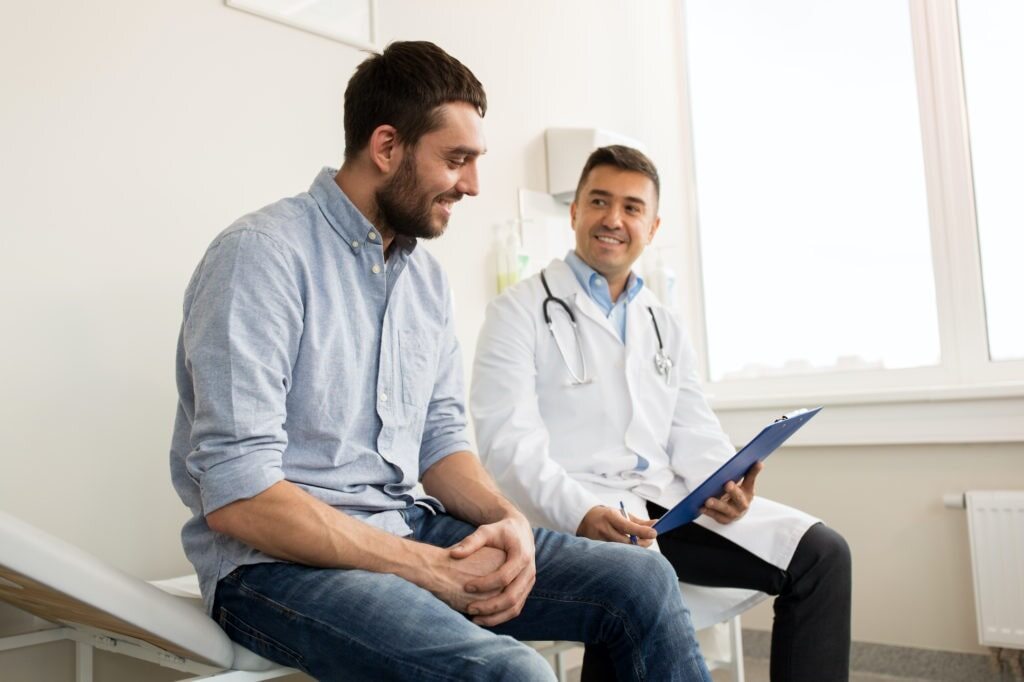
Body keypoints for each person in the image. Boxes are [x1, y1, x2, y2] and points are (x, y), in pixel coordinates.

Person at [169, 43, 712, 682]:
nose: (473, 185)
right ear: (387, 146)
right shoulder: (261, 257)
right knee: (516, 674)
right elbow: (241, 498)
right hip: (274, 567)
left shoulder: (423, 280)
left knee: (642, 578)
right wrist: (424, 567)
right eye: (456, 160)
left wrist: (507, 520)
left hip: (406, 525)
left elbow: (441, 445)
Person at [471, 145, 852, 682]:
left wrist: (726, 481)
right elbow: (507, 447)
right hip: (574, 511)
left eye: (631, 208)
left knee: (821, 554)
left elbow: (692, 428)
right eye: (599, 201)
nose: (613, 219)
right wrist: (580, 512)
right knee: (632, 586)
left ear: (652, 226)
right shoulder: (516, 313)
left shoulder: (662, 322)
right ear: (575, 211)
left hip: (667, 507)